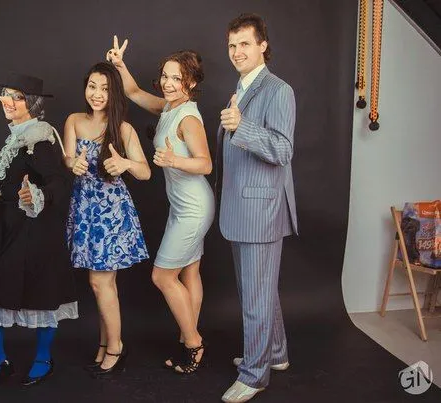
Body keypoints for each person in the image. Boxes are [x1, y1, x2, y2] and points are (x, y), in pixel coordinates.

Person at [106, 37, 214, 374]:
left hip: (194, 208)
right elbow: (133, 92)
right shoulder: (169, 107)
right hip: (183, 207)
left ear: (191, 83)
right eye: (165, 76)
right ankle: (187, 336)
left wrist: (173, 160)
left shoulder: (188, 119)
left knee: (162, 276)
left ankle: (194, 344)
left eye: (176, 78)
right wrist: (120, 65)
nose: (167, 83)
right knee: (190, 271)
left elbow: (206, 164)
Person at [0, 73, 78, 387]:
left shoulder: (38, 139)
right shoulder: (18, 136)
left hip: (35, 233)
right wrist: (0, 194)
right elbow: (17, 177)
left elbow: (60, 183)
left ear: (31, 103)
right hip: (11, 229)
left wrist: (37, 194)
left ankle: (43, 359)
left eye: (17, 96)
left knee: (43, 295)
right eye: (6, 94)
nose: (9, 101)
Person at [216, 14, 298, 403]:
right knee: (260, 292)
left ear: (263, 45)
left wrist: (241, 127)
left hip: (260, 211)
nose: (237, 52)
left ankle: (254, 374)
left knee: (255, 297)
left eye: (245, 44)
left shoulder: (279, 90)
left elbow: (283, 149)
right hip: (242, 208)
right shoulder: (242, 87)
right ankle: (275, 354)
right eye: (232, 45)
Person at [64, 62, 151, 377]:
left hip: (112, 213)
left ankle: (116, 347)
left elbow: (145, 172)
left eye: (105, 88)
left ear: (115, 93)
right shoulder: (74, 120)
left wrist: (126, 163)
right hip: (85, 208)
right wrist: (72, 163)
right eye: (92, 86)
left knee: (100, 282)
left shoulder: (123, 129)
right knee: (103, 284)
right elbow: (67, 157)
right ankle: (104, 344)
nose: (97, 93)